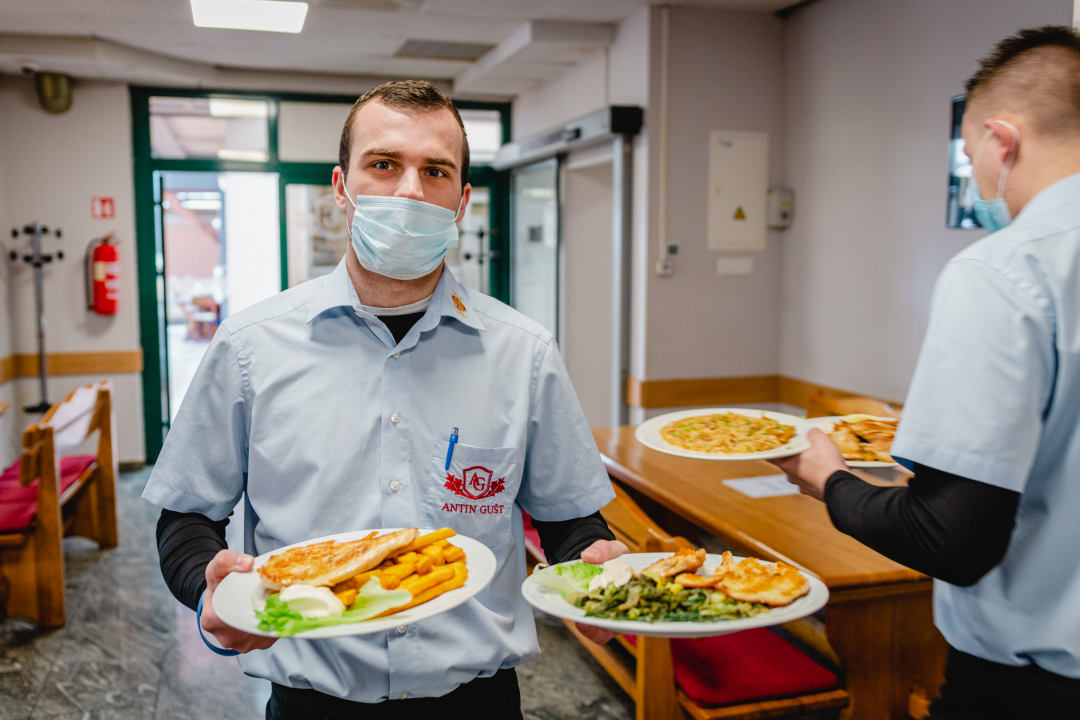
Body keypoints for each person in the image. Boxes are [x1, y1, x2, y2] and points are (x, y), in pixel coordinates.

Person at [144, 80, 627, 719]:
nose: (409, 192)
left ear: (463, 200)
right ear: (341, 187)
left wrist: (594, 565)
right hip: (312, 703)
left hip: (478, 704)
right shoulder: (249, 348)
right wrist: (208, 586)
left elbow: (568, 520)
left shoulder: (523, 353)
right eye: (383, 164)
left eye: (436, 171)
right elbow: (185, 516)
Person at [772, 26, 1080, 719]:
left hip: (1032, 687)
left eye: (970, 160)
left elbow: (950, 539)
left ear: (1002, 141)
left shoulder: (1006, 270)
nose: (979, 183)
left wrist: (829, 480)